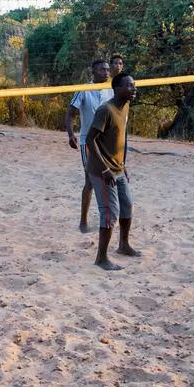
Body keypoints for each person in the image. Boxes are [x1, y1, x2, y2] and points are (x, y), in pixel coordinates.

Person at [85, 72, 140, 270]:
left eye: (134, 85)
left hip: (117, 168)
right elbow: (90, 140)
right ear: (118, 89)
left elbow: (120, 138)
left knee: (127, 207)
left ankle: (124, 245)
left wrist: (122, 165)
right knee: (110, 213)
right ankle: (101, 258)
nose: (134, 89)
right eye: (130, 86)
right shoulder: (105, 110)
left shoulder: (125, 106)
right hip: (102, 170)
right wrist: (105, 168)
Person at [65, 59, 112, 233]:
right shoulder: (84, 89)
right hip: (88, 141)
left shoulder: (112, 89)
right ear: (93, 71)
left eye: (107, 70)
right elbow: (70, 114)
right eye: (102, 70)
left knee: (111, 179)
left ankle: (107, 220)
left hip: (107, 141)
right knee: (90, 181)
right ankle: (83, 221)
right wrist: (71, 134)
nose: (106, 73)